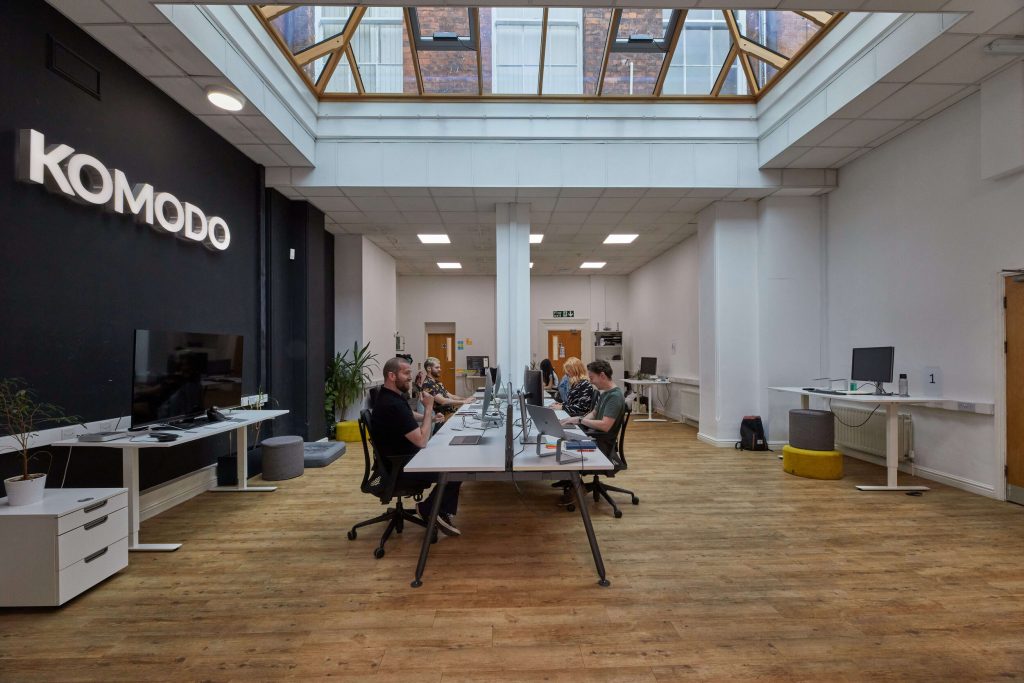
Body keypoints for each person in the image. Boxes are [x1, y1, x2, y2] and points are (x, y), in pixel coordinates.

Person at [370, 357, 462, 536]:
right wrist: (428, 409)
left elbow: (407, 414)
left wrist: (430, 418)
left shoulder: (388, 396)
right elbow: (421, 441)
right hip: (402, 466)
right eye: (406, 373)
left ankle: (438, 510)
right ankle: (430, 509)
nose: (411, 377)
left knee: (450, 457)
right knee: (456, 470)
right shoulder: (393, 404)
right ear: (392, 376)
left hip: (399, 460)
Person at [559, 359, 626, 459]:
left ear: (602, 375)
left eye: (592, 378)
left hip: (600, 443)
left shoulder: (614, 397)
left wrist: (580, 420)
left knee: (562, 447)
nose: (590, 381)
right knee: (563, 438)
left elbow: (605, 426)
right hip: (594, 436)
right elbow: (594, 413)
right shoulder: (606, 393)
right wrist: (576, 420)